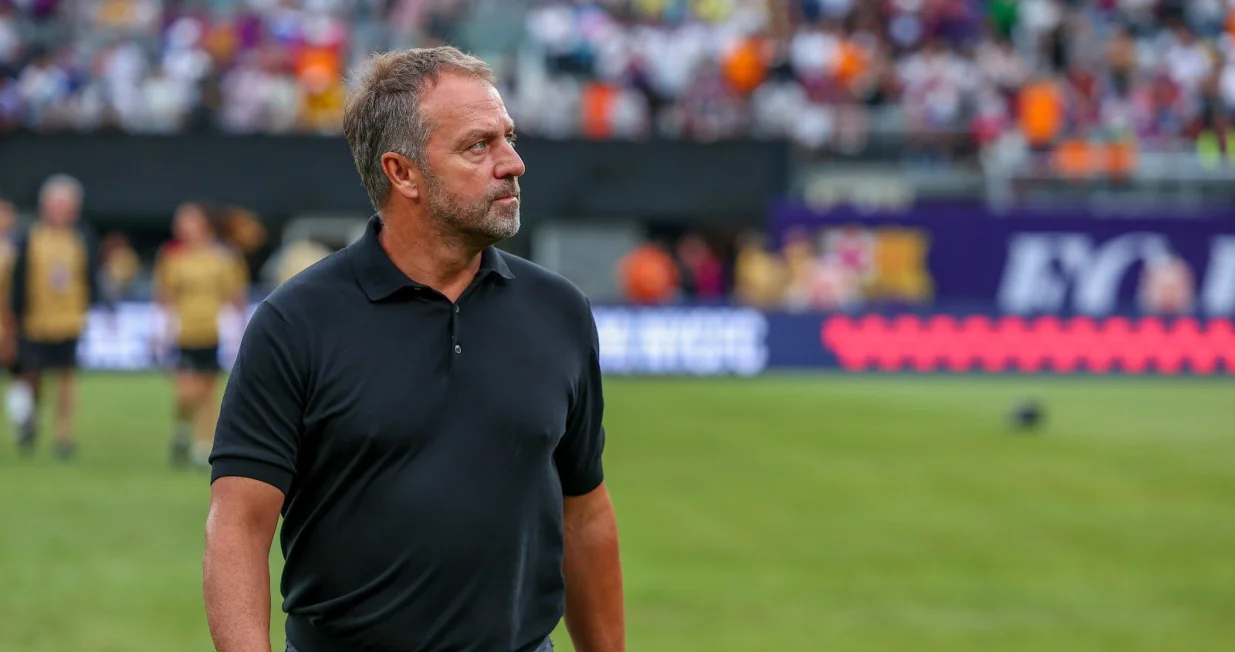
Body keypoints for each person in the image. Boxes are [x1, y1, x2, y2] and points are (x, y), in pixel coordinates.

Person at [204, 47, 625, 652]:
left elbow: (584, 513)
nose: (513, 163)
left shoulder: (560, 312)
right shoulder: (296, 323)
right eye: (477, 146)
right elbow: (238, 527)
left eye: (508, 138)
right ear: (402, 173)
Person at [6, 175, 106, 459]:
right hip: (36, 320)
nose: (61, 211)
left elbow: (91, 275)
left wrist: (94, 306)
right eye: (56, 205)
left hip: (70, 320)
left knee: (66, 378)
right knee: (33, 375)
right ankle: (30, 420)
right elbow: (19, 280)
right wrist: (15, 315)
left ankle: (63, 436)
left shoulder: (83, 236)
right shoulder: (31, 236)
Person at [154, 202, 249, 469]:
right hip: (184, 333)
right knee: (186, 392)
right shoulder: (173, 257)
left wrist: (239, 330)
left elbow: (235, 295)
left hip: (212, 332)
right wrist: (160, 331)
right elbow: (164, 297)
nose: (181, 225)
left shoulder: (223, 257)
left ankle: (202, 444)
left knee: (209, 391)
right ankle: (183, 429)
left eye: (187, 220)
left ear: (204, 223)